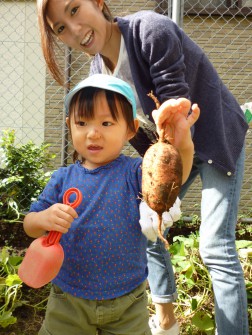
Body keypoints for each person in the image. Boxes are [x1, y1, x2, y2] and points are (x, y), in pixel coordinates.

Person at [36, 1, 249, 334]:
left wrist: (168, 190)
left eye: (74, 9)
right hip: (173, 149)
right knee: (146, 226)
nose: (74, 30)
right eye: (60, 28)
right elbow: (136, 138)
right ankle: (166, 321)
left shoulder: (151, 30)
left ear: (98, 3)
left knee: (215, 247)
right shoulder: (98, 76)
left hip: (215, 136)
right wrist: (151, 202)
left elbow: (176, 120)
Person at [23, 74, 198, 335]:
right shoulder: (63, 179)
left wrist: (183, 142)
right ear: (70, 125)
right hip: (68, 299)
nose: (93, 133)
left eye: (106, 123)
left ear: (130, 129)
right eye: (82, 122)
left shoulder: (134, 172)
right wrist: (43, 219)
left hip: (128, 301)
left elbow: (173, 174)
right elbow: (30, 225)